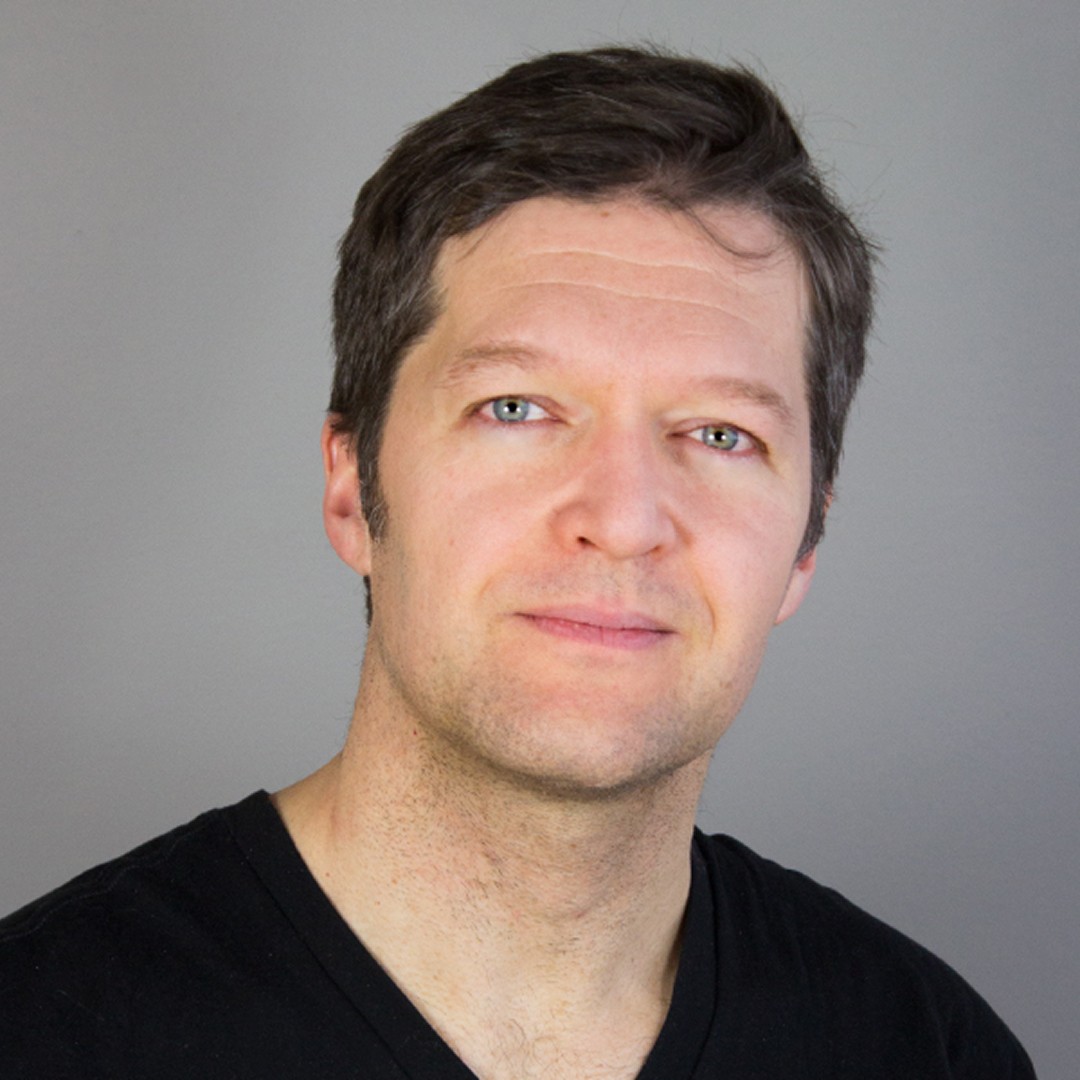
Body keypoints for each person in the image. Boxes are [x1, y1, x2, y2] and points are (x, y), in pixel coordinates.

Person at [0, 46, 1034, 1079]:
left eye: (721, 434)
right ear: (352, 488)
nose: (624, 519)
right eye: (517, 409)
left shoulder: (928, 1049)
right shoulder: (42, 1030)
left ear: (806, 542)